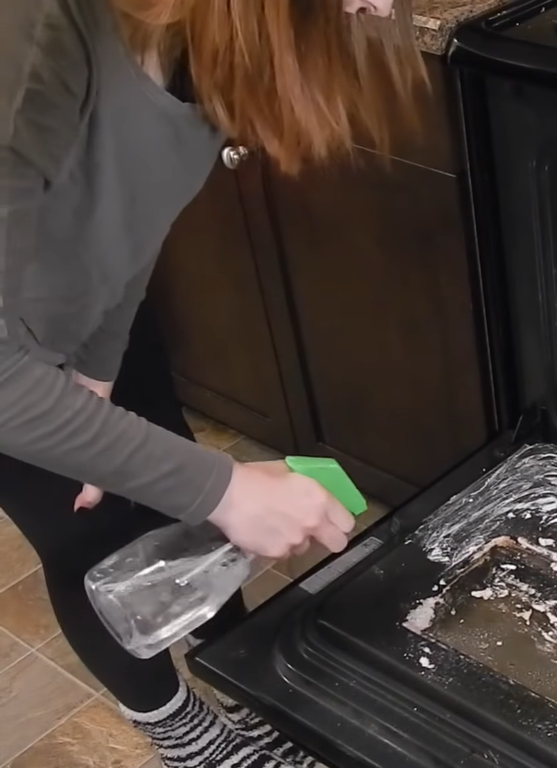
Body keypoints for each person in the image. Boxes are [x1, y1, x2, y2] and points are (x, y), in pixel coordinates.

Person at [1, 1, 425, 766]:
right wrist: (227, 490)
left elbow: (130, 229)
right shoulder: (34, 31)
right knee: (89, 540)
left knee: (179, 512)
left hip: (70, 328)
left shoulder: (205, 40)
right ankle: (184, 735)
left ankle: (240, 682)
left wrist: (98, 369)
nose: (387, 7)